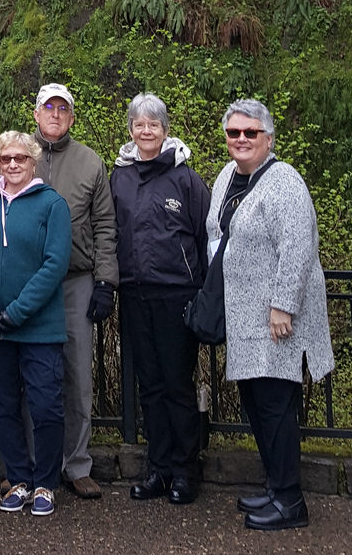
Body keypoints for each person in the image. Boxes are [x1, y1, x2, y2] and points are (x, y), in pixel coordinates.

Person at [206, 99, 334, 531]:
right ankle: (276, 487)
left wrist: (283, 304)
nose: (240, 140)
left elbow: (298, 247)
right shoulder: (228, 177)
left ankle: (291, 501)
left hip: (275, 317)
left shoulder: (284, 182)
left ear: (268, 139)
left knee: (277, 407)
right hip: (243, 314)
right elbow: (215, 232)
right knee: (257, 405)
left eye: (250, 133)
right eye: (233, 133)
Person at [0, 131, 73, 516]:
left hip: (39, 327)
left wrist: (18, 311)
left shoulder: (52, 205)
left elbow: (56, 263)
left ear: (33, 160)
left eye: (20, 158)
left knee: (46, 407)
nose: (11, 165)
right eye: (5, 158)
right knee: (4, 406)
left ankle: (45, 484)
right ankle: (19, 478)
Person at [19, 83, 118, 501]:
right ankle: (32, 464)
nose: (55, 114)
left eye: (63, 108)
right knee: (31, 376)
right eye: (48, 107)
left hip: (75, 282)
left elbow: (105, 227)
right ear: (36, 113)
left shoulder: (90, 163)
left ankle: (76, 464)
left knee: (77, 375)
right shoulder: (17, 155)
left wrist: (106, 281)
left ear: (71, 117)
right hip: (28, 281)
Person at [111, 93, 209, 505]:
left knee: (176, 384)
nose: (146, 131)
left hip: (176, 294)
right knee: (149, 385)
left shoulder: (186, 179)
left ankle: (186, 471)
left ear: (165, 130)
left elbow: (207, 237)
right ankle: (159, 468)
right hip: (134, 293)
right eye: (139, 124)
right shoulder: (119, 177)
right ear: (131, 130)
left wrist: (204, 292)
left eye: (154, 124)